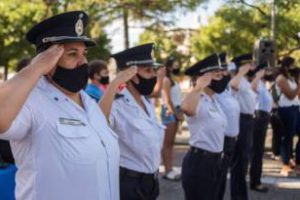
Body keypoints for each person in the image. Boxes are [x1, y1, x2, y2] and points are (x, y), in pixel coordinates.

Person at [0, 11, 136, 200]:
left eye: (84, 54)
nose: (83, 62)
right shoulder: (31, 100)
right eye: (73, 54)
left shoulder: (86, 100)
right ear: (49, 62)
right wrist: (35, 68)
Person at [103, 43, 165, 200]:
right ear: (132, 75)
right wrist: (115, 84)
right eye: (148, 71)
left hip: (151, 182)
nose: (153, 76)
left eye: (153, 70)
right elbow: (99, 122)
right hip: (129, 184)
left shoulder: (146, 102)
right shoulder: (116, 105)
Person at [181, 53, 227, 200]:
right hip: (200, 163)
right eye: (217, 75)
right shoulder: (196, 98)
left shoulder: (213, 100)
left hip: (216, 162)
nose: (222, 78)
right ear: (204, 78)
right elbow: (187, 108)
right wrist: (198, 86)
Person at [230, 53, 257, 200]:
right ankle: (238, 196)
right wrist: (241, 71)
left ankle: (241, 195)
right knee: (239, 161)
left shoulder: (245, 81)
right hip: (241, 120)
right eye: (249, 64)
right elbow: (233, 85)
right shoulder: (238, 79)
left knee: (243, 160)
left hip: (248, 120)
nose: (252, 67)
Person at [214, 53, 240, 200]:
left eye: (226, 70)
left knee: (222, 177)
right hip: (222, 139)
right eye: (221, 70)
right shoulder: (217, 90)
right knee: (218, 178)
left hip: (231, 138)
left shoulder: (226, 88)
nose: (226, 73)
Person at [249, 64, 273, 192]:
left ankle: (256, 179)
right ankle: (255, 182)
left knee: (258, 151)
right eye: (266, 70)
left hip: (263, 118)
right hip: (258, 118)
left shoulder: (263, 85)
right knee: (256, 151)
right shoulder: (257, 83)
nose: (269, 72)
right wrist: (258, 75)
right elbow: (252, 87)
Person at [276, 56, 300, 176]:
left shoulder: (292, 78)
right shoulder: (281, 78)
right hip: (286, 109)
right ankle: (286, 164)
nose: (294, 67)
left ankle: (297, 162)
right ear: (286, 66)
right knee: (287, 136)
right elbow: (290, 95)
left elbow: (297, 95)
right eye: (292, 65)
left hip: (296, 108)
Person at [160, 56, 183, 181]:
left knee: (171, 143)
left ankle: (170, 169)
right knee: (167, 143)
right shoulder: (166, 80)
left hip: (175, 111)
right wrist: (176, 113)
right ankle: (167, 170)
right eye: (175, 64)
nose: (177, 67)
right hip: (169, 112)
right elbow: (167, 100)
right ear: (169, 66)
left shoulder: (173, 79)